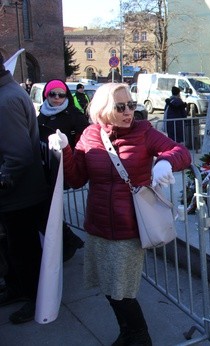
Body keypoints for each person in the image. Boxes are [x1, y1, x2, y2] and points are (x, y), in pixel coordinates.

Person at [48, 83, 191, 345]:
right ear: (103, 109)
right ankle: (127, 332)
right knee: (107, 286)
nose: (129, 112)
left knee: (122, 291)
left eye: (131, 105)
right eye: (120, 106)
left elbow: (182, 152)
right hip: (98, 224)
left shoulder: (143, 131)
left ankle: (139, 336)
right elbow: (77, 178)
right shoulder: (90, 135)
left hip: (129, 227)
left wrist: (165, 161)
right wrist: (65, 150)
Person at [0, 53, 50, 324]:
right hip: (17, 194)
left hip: (19, 195)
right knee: (17, 249)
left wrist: (3, 180)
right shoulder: (7, 94)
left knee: (25, 251)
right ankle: (19, 288)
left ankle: (34, 298)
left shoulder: (6, 100)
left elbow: (18, 156)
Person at [38, 79, 89, 261]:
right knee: (47, 208)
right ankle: (69, 240)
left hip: (66, 166)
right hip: (47, 167)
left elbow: (85, 139)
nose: (57, 98)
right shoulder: (41, 114)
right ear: (46, 95)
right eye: (53, 94)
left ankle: (68, 243)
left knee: (49, 208)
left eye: (61, 94)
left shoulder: (74, 115)